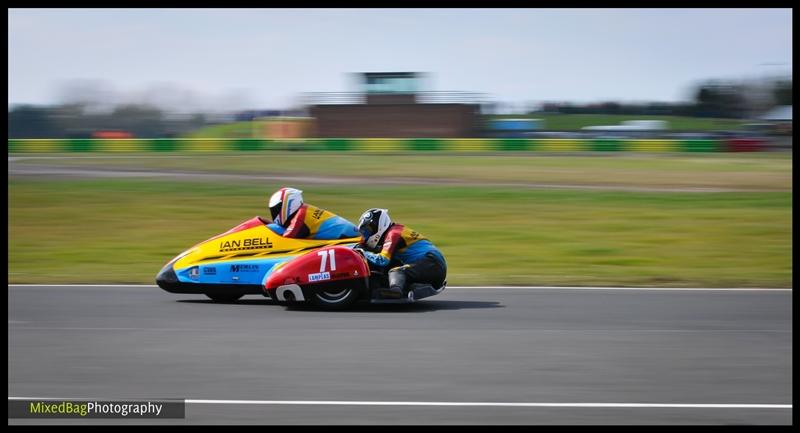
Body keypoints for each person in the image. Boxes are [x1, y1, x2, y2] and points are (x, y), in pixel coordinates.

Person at [355, 208, 447, 299]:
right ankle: (404, 288)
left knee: (396, 271)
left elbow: (382, 260)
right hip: (431, 264)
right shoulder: (393, 231)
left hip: (432, 262)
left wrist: (361, 252)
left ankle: (395, 291)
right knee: (389, 269)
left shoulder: (393, 233)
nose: (366, 234)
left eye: (368, 230)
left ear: (379, 226)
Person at [267, 187, 360, 240]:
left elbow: (285, 241)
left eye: (276, 209)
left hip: (348, 241)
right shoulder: (305, 210)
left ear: (288, 204)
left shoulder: (300, 216)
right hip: (350, 236)